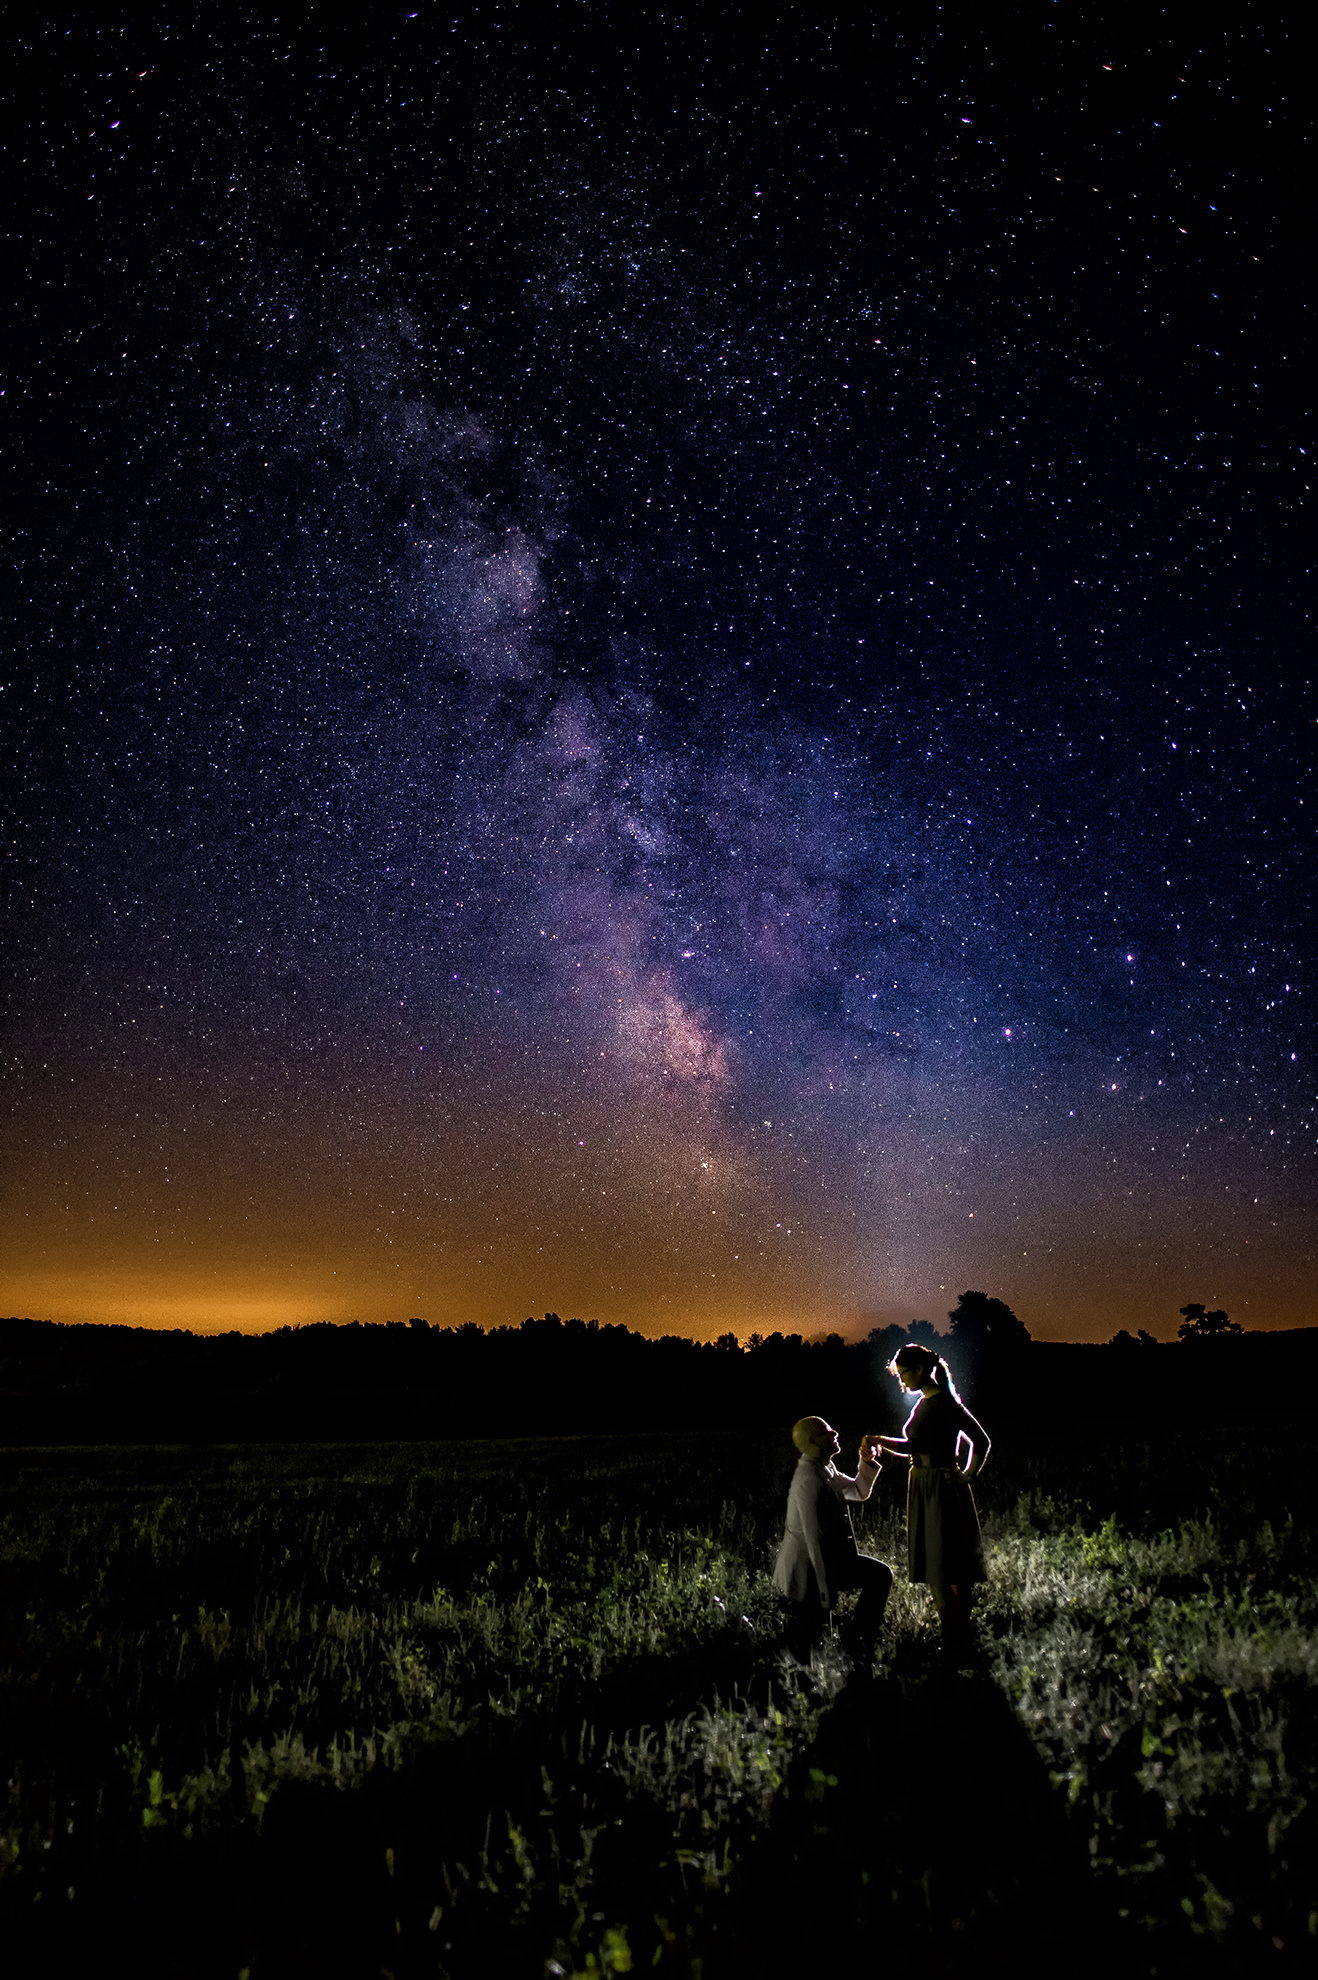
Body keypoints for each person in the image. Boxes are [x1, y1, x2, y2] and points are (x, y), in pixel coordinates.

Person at [872, 1342, 990, 1660]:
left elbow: (980, 1441)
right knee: (951, 1565)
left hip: (937, 1484)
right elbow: (917, 1444)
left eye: (903, 1374)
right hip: (929, 1483)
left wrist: (967, 1474)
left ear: (920, 1370)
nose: (902, 1381)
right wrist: (882, 1441)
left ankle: (953, 1641)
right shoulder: (937, 1402)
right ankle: (958, 1638)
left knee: (941, 1566)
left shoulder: (941, 1405)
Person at [772, 1415, 893, 1666]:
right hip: (809, 1570)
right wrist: (825, 1588)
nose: (835, 1433)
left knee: (880, 1576)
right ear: (815, 1441)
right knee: (811, 1639)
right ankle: (846, 1650)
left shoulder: (824, 1469)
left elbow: (858, 1491)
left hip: (828, 1563)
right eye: (828, 1431)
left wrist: (866, 1461)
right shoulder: (809, 1479)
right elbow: (813, 1539)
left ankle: (853, 1640)